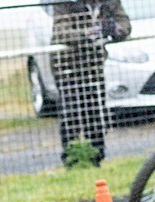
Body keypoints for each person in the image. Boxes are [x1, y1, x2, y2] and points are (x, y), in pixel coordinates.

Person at [51, 0, 130, 168]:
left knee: (96, 112)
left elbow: (124, 23)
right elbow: (60, 32)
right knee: (71, 114)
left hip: (94, 66)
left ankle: (96, 157)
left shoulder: (109, 2)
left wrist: (115, 29)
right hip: (67, 67)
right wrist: (88, 34)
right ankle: (72, 159)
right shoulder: (65, 3)